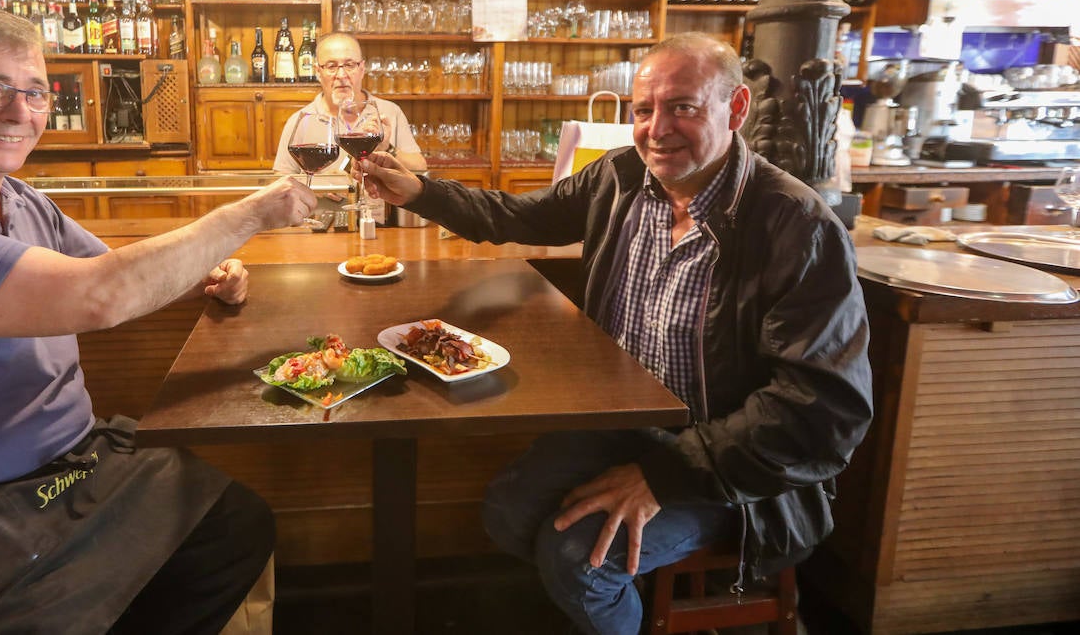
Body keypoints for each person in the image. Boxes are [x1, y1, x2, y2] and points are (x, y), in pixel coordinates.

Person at [0, 7, 318, 634]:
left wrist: (207, 275)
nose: (16, 112)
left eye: (33, 93)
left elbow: (118, 274)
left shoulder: (23, 200)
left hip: (64, 470)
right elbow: (100, 295)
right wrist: (247, 216)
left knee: (234, 526)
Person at [357, 33, 872, 635]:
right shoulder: (621, 177)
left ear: (736, 109)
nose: (657, 129)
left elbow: (823, 409)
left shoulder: (795, 225)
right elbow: (521, 217)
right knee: (505, 512)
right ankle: (623, 605)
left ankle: (618, 602)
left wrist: (666, 474)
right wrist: (420, 192)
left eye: (683, 107)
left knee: (580, 563)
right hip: (623, 428)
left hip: (734, 464)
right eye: (643, 109)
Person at [271, 32, 427, 175]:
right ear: (318, 72)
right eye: (331, 66)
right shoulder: (301, 120)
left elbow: (420, 167)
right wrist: (321, 188)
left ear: (362, 68)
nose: (341, 75)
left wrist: (387, 148)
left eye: (350, 65)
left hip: (377, 206)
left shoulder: (389, 111)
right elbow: (281, 179)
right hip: (323, 206)